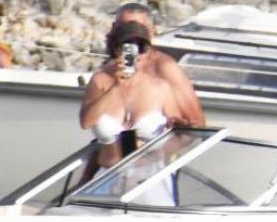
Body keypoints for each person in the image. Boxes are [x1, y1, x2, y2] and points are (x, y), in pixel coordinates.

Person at [80, 21, 194, 182]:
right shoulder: (100, 81)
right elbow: (86, 122)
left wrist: (172, 132)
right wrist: (116, 88)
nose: (136, 54)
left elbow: (184, 136)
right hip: (105, 181)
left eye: (141, 47)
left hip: (148, 181)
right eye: (128, 47)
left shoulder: (160, 87)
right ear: (116, 49)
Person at [81, 3, 205, 131]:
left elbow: (195, 123)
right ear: (114, 29)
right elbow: (86, 123)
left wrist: (175, 126)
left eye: (140, 28)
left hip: (155, 149)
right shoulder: (105, 74)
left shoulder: (165, 68)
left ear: (152, 31)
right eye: (125, 28)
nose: (132, 34)